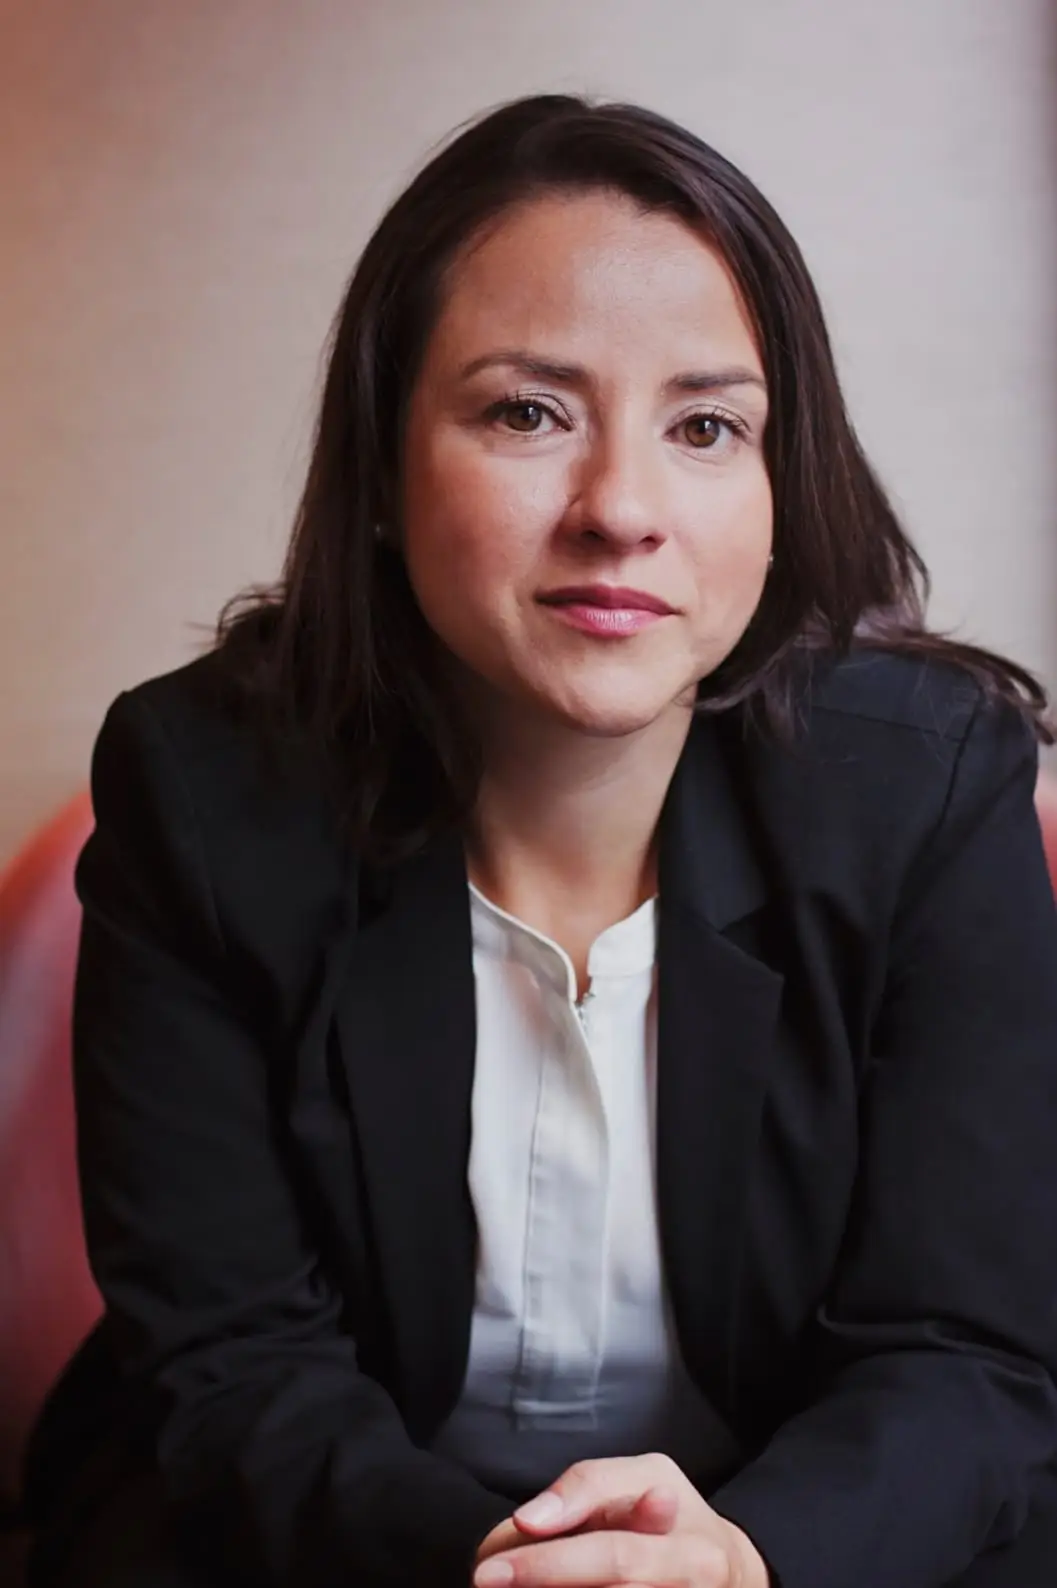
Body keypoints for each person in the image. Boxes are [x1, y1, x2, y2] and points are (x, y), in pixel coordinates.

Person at [23, 94, 1057, 1588]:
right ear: (383, 465)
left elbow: (961, 1352)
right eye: (528, 412)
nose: (621, 509)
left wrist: (739, 1564)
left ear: (781, 484)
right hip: (325, 1536)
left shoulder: (929, 792)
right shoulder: (201, 789)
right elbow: (235, 1361)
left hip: (798, 1537)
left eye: (707, 427)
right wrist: (520, 1573)